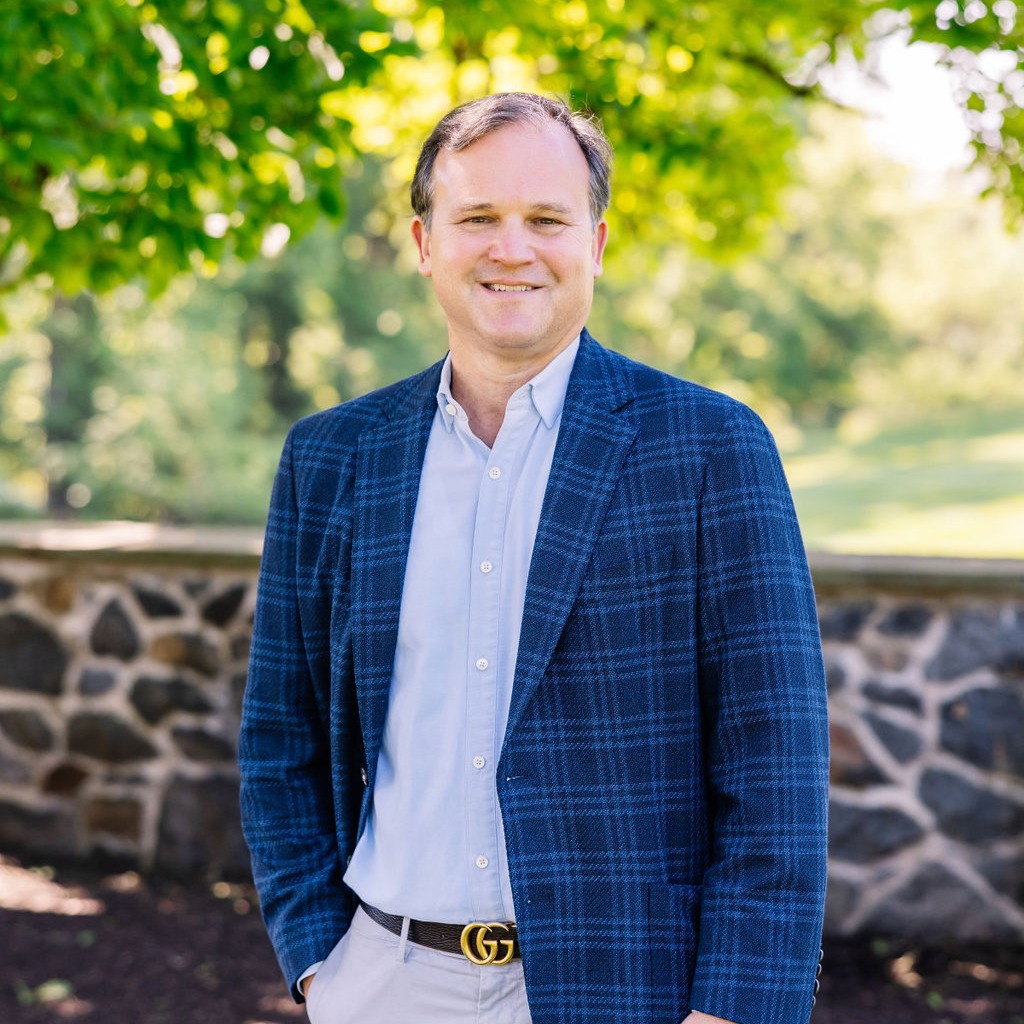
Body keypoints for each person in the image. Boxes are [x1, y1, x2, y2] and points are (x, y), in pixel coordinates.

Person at [239, 92, 829, 1024]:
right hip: (382, 985)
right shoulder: (333, 459)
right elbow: (281, 741)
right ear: (426, 243)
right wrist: (321, 963)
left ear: (593, 243)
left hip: (631, 994)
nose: (511, 248)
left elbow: (775, 771)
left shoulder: (712, 447)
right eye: (477, 218)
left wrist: (737, 1009)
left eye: (545, 219)